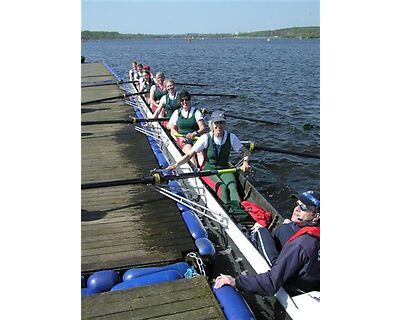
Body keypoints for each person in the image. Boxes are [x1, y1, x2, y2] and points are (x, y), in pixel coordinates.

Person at [214, 190, 320, 297]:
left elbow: (271, 283)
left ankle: (255, 233)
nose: (297, 209)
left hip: (292, 285)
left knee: (261, 231)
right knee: (285, 228)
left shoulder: (299, 245)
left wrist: (235, 282)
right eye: (297, 204)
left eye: (304, 207)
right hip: (311, 280)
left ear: (316, 216)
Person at [166, 110, 251, 220]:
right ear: (212, 124)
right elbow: (189, 155)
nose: (219, 126)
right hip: (208, 170)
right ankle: (228, 215)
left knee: (232, 188)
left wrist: (245, 162)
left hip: (225, 169)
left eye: (221, 123)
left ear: (225, 124)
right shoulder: (205, 138)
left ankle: (239, 213)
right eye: (216, 123)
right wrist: (175, 165)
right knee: (222, 188)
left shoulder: (231, 137)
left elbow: (246, 152)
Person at [166, 91, 206, 167]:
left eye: (186, 99)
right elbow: (171, 128)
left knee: (200, 153)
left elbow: (203, 128)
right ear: (180, 102)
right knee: (191, 153)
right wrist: (180, 137)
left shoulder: (196, 112)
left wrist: (194, 133)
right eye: (182, 100)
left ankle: (203, 171)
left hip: (195, 138)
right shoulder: (177, 113)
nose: (184, 102)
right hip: (183, 139)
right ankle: (195, 172)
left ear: (190, 100)